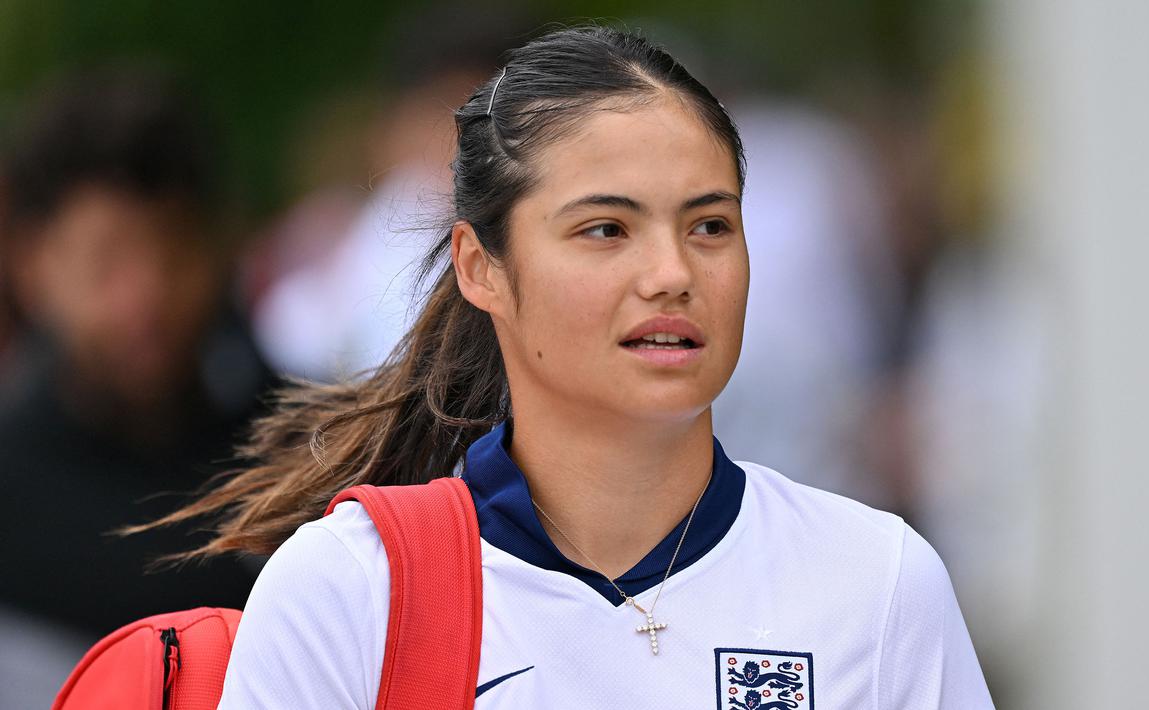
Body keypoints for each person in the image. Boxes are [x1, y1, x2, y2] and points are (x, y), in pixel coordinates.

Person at [160, 26, 993, 708]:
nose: (672, 272)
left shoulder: (878, 582)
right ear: (481, 266)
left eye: (709, 226)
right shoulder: (349, 589)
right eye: (605, 229)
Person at [0, 68, 271, 640]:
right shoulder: (13, 484)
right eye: (106, 261)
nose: (145, 296)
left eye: (173, 253)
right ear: (31, 264)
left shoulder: (301, 456)